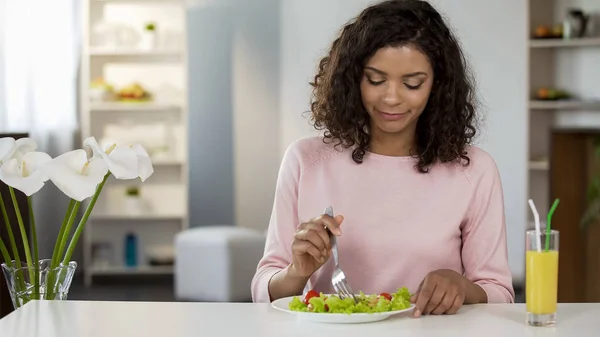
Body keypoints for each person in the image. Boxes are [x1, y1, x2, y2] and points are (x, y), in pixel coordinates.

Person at [251, 0, 515, 317]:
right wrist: (296, 271)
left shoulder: (474, 170)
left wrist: (461, 285)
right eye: (375, 80)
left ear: (438, 86)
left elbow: (499, 293)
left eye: (412, 83)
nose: (391, 97)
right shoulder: (305, 160)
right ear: (352, 79)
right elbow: (263, 291)